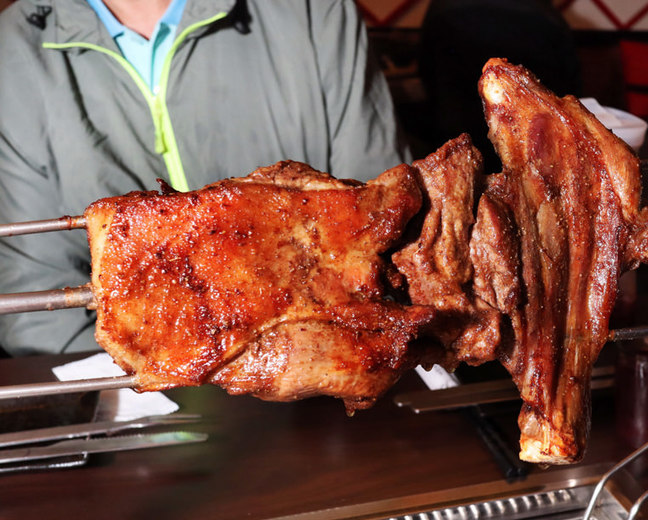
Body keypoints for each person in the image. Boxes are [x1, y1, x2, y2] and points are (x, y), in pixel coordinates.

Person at [0, 0, 410, 356]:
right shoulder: (14, 47)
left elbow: (391, 228)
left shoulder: (312, 12)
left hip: (328, 380)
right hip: (132, 396)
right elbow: (35, 304)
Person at [418, 0, 582, 172]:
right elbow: (571, 86)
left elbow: (426, 71)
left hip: (456, 137)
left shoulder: (443, 9)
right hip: (538, 148)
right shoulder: (543, 13)